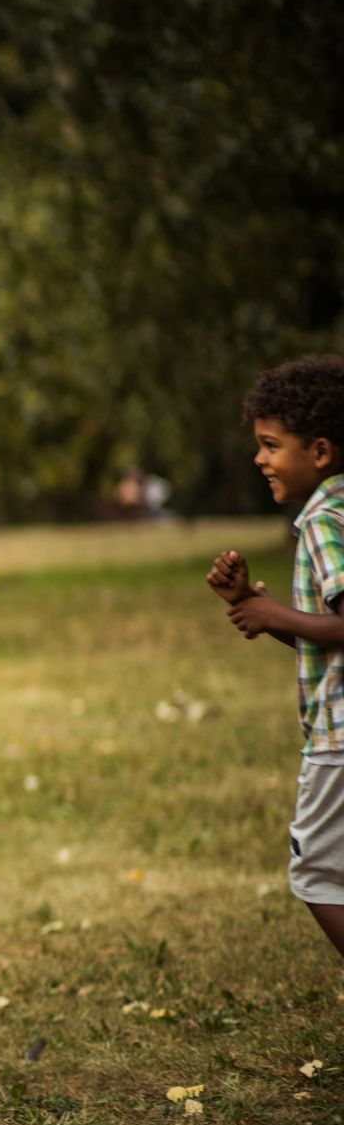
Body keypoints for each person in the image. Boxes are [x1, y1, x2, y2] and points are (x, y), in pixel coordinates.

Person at [207, 354, 344, 960]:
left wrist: (273, 616)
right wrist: (255, 607)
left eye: (271, 445)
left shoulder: (324, 522)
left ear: (320, 451)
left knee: (317, 874)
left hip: (338, 740)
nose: (259, 459)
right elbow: (332, 638)